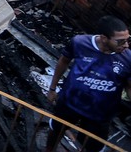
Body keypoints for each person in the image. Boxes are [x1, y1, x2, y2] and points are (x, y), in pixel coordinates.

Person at [45, 15, 131, 152]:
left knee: (92, 146)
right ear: (104, 38)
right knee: (56, 130)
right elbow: (63, 61)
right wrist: (52, 89)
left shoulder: (128, 58)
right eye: (120, 42)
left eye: (128, 40)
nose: (126, 45)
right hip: (70, 103)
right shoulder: (79, 43)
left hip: (100, 114)